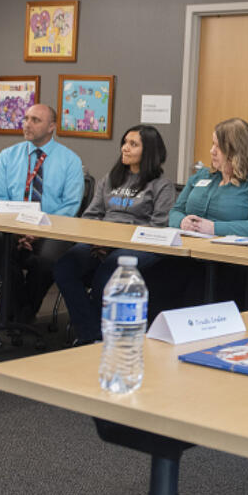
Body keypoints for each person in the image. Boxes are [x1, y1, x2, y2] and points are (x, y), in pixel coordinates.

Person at [53, 125, 175, 345]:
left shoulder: (161, 185)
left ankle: (93, 333)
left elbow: (158, 227)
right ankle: (91, 334)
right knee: (65, 266)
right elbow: (91, 215)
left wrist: (113, 244)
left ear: (149, 151)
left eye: (133, 144)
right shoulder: (110, 178)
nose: (125, 149)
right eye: (125, 142)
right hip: (100, 242)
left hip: (139, 245)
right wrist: (97, 241)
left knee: (109, 270)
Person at [0, 103, 84, 323]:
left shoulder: (70, 161)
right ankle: (20, 310)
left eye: (35, 120)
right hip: (12, 227)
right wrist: (17, 231)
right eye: (26, 118)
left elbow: (71, 206)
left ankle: (20, 315)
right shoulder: (7, 156)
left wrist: (38, 230)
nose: (27, 124)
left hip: (51, 229)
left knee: (48, 258)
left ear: (52, 127)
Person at [170, 117, 248, 237]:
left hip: (228, 253)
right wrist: (182, 222)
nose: (212, 151)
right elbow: (176, 211)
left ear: (237, 151)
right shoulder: (202, 175)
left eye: (218, 146)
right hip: (186, 248)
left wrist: (213, 228)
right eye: (212, 144)